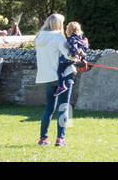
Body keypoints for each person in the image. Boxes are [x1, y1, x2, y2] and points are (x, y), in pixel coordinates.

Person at [35, 14, 75, 147]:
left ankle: (43, 139)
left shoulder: (39, 37)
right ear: (58, 24)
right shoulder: (58, 36)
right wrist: (78, 56)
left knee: (49, 108)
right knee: (64, 107)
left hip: (48, 77)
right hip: (63, 75)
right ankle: (60, 138)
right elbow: (69, 55)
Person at [56, 21, 90, 95]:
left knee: (60, 70)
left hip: (70, 58)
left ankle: (61, 86)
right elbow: (85, 48)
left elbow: (73, 47)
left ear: (69, 30)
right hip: (77, 59)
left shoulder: (72, 38)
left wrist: (74, 53)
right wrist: (82, 57)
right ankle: (70, 80)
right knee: (69, 70)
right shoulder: (84, 39)